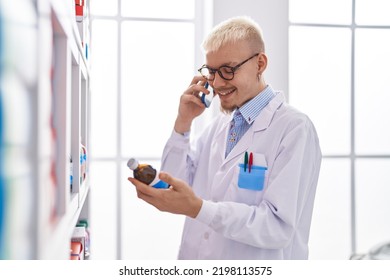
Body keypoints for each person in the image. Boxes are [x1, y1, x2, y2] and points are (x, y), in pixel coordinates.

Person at [128, 16, 322, 260]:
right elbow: (174, 183)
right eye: (212, 72)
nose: (217, 83)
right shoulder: (219, 126)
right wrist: (183, 121)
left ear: (260, 64)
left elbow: (277, 227)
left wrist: (199, 209)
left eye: (228, 70)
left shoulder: (294, 129)